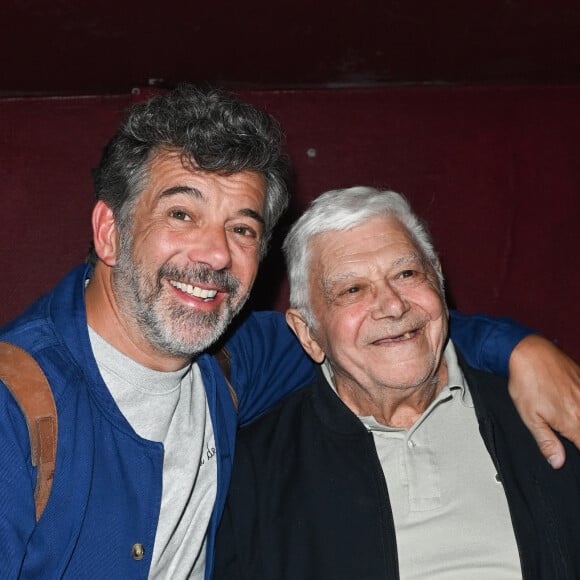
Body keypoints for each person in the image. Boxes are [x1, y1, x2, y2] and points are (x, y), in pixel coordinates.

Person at [0, 87, 578, 580]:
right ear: (109, 232)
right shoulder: (14, 410)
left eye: (243, 227)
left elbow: (391, 331)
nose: (215, 253)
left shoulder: (231, 358)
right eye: (182, 214)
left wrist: (521, 348)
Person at [213, 186, 580, 579]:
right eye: (352, 289)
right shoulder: (252, 475)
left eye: (406, 274)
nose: (392, 304)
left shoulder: (546, 410)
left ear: (437, 280)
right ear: (307, 333)